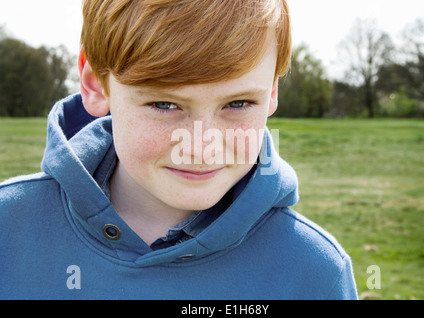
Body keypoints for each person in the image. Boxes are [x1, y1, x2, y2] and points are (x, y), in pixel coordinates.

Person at [0, 0, 357, 299]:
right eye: (164, 105)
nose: (201, 148)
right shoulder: (8, 230)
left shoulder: (315, 273)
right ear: (95, 84)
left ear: (272, 93)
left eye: (237, 103)